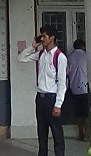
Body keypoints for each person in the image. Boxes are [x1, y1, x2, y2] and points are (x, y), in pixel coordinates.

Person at [18, 25, 68, 156]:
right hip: (40, 98)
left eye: (44, 36)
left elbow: (62, 83)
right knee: (42, 132)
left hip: (52, 98)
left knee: (57, 133)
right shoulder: (41, 54)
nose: (42, 39)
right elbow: (21, 58)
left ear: (52, 38)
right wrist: (33, 46)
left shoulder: (59, 57)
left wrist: (58, 104)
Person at [67, 39, 90, 142]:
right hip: (85, 88)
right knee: (86, 114)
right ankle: (87, 135)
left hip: (74, 88)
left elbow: (67, 72)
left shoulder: (70, 57)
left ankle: (81, 134)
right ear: (83, 46)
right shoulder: (86, 56)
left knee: (79, 114)